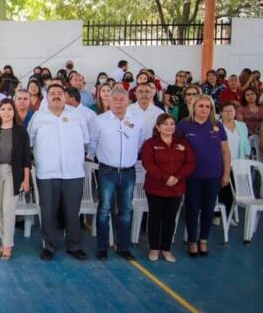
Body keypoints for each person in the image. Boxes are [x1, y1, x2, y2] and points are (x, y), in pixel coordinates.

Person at [28, 84, 90, 261]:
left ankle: (74, 245)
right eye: (52, 93)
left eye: (59, 93)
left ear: (66, 96)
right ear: (47, 98)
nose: (56, 96)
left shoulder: (77, 115)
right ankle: (49, 246)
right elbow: (30, 141)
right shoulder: (39, 117)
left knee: (72, 211)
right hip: (47, 172)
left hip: (73, 172)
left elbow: (86, 140)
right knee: (48, 211)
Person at [90, 87, 145, 261]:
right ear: (109, 101)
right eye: (115, 99)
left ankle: (123, 247)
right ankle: (102, 247)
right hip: (107, 171)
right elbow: (92, 143)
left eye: (122, 99)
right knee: (104, 209)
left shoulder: (136, 120)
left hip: (129, 172)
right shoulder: (100, 121)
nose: (119, 102)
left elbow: (140, 142)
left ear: (128, 101)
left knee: (126, 210)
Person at [176, 95, 231, 257]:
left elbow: (225, 152)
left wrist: (226, 173)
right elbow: (177, 149)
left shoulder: (217, 126)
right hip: (192, 176)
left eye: (208, 106)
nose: (204, 109)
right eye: (201, 106)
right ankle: (192, 241)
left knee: (208, 209)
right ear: (194, 107)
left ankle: (203, 240)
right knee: (192, 209)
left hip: (213, 176)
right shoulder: (184, 125)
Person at [0, 99, 31, 261]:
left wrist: (26, 179)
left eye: (9, 109)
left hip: (13, 174)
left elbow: (26, 158)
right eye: (3, 109)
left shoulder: (21, 131)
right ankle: (4, 242)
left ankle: (8, 245)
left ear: (13, 112)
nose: (6, 112)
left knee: (9, 210)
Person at [140, 114, 194, 262]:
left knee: (170, 219)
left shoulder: (183, 143)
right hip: (155, 187)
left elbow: (190, 163)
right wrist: (166, 177)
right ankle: (154, 248)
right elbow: (148, 164)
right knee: (155, 218)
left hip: (176, 188)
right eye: (165, 124)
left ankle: (166, 249)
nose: (169, 127)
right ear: (158, 127)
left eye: (171, 124)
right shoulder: (150, 144)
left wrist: (177, 177)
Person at [219, 101, 249, 227]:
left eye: (231, 110)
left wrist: (246, 158)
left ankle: (227, 215)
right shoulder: (217, 126)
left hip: (238, 163)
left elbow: (246, 143)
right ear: (221, 113)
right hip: (221, 163)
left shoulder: (241, 125)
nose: (229, 113)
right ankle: (217, 215)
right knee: (222, 189)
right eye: (226, 110)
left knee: (233, 191)